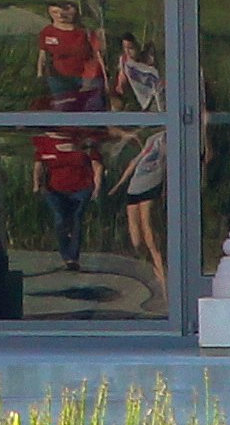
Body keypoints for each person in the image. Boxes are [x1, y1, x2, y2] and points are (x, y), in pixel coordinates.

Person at [110, 36, 170, 300]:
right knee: (136, 237)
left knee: (148, 231)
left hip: (149, 175)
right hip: (134, 177)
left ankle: (165, 282)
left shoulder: (156, 89)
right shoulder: (142, 129)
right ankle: (152, 270)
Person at [30, 121, 102, 274]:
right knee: (60, 218)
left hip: (81, 188)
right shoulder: (44, 142)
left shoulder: (84, 141)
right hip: (54, 189)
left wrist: (97, 186)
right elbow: (39, 165)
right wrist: (36, 184)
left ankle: (72, 258)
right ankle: (65, 252)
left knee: (77, 218)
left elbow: (97, 165)